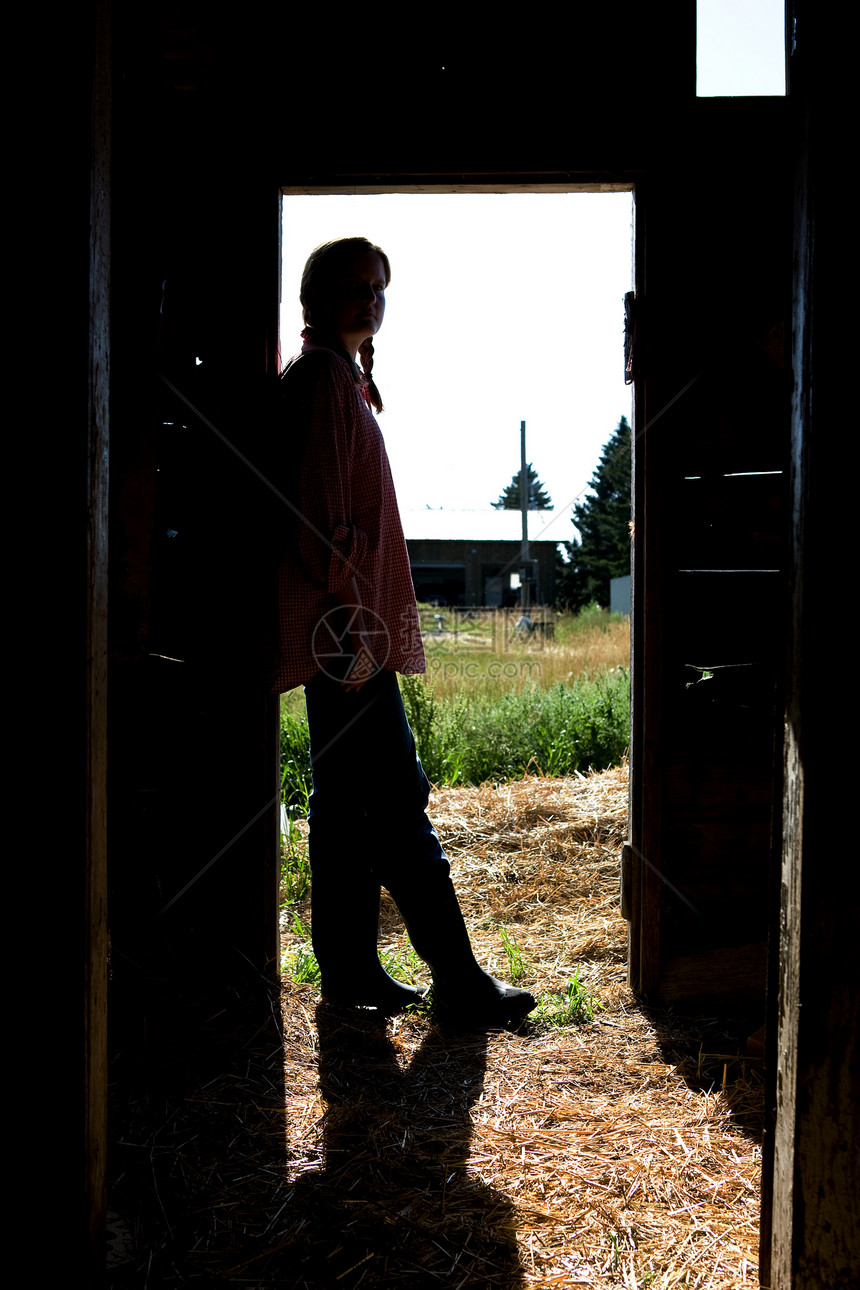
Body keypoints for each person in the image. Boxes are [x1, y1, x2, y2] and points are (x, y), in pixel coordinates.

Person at [273, 237, 536, 1029]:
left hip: (346, 631)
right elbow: (324, 521)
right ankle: (456, 979)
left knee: (350, 806)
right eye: (352, 286)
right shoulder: (322, 379)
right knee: (396, 802)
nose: (368, 298)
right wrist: (355, 627)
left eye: (378, 288)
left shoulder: (338, 380)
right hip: (346, 635)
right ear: (314, 298)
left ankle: (351, 973)